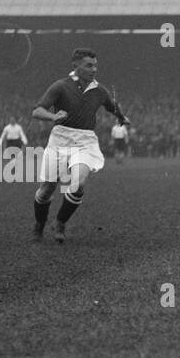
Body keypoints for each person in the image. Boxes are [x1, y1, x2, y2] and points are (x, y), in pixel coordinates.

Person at [30, 48, 130, 244]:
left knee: (79, 183)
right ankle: (39, 224)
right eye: (89, 65)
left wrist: (121, 117)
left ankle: (60, 222)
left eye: (95, 66)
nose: (94, 69)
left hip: (85, 141)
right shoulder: (60, 86)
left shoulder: (100, 90)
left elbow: (112, 106)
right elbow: (37, 111)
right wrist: (53, 116)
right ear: (75, 66)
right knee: (47, 190)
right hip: (60, 139)